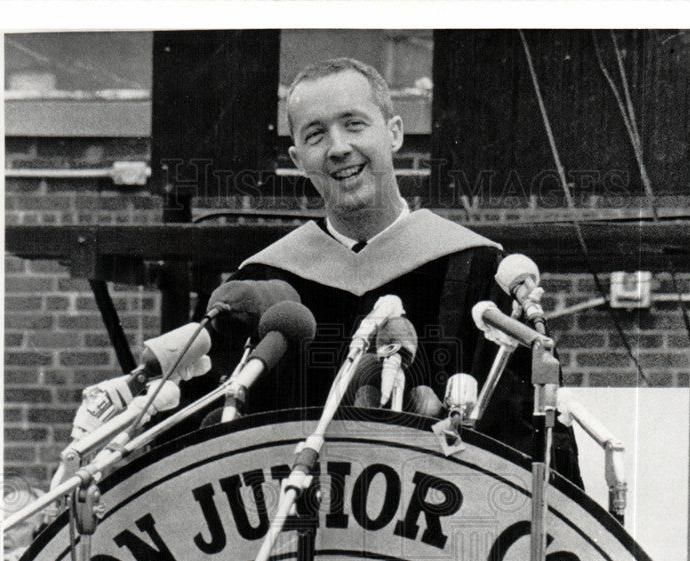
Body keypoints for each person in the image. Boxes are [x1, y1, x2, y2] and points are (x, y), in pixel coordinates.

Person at [209, 57, 582, 486]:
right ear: (298, 158)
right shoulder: (260, 286)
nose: (337, 148)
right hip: (293, 533)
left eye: (354, 124)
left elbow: (525, 440)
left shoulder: (482, 272)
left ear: (394, 133)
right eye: (315, 134)